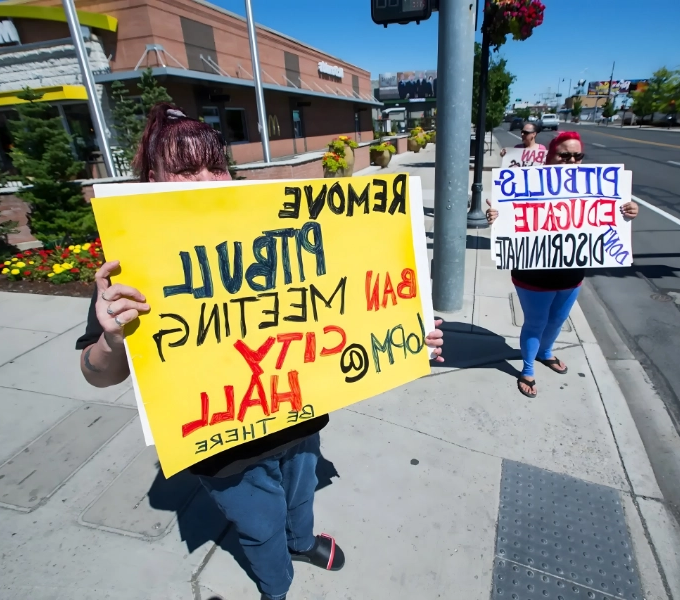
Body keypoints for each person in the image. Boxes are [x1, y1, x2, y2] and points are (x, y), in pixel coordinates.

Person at [76, 103, 446, 600]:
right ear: (153, 178)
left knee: (301, 495)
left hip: (300, 420)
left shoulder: (270, 222)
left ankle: (302, 542)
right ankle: (276, 585)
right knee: (260, 527)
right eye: (185, 170)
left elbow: (350, 295)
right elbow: (96, 373)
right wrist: (112, 338)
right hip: (224, 451)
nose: (206, 181)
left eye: (215, 166)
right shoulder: (128, 264)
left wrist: (407, 332)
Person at [486, 131, 638, 398]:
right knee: (536, 322)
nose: (572, 161)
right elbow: (509, 214)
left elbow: (608, 217)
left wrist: (627, 210)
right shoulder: (528, 182)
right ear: (549, 156)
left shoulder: (592, 186)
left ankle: (545, 353)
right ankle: (528, 369)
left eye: (577, 156)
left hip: (571, 272)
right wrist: (496, 215)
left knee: (557, 319)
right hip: (532, 273)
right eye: (564, 155)